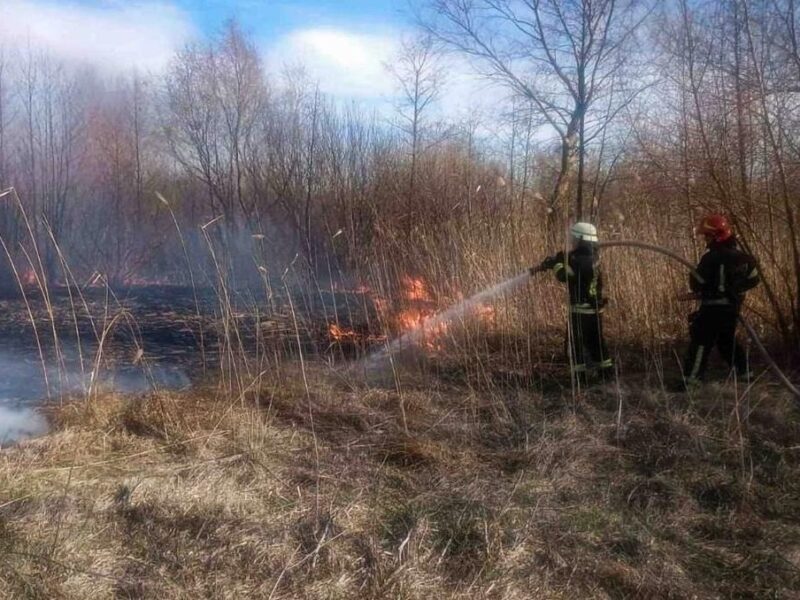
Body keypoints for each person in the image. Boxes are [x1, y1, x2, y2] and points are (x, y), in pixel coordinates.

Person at [681, 213, 760, 387]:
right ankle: (745, 373)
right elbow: (754, 279)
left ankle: (691, 380)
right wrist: (736, 289)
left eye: (707, 236)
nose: (705, 240)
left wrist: (704, 284)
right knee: (726, 340)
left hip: (711, 308)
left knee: (701, 341)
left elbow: (697, 284)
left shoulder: (709, 258)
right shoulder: (744, 258)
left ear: (717, 236)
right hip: (731, 309)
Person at [533, 222, 614, 383]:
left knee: (575, 346)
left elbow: (564, 276)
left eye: (574, 239)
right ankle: (607, 376)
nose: (572, 242)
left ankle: (579, 379)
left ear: (581, 239)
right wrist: (559, 260)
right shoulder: (593, 258)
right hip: (594, 311)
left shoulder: (578, 260)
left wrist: (557, 263)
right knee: (596, 344)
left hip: (580, 313)